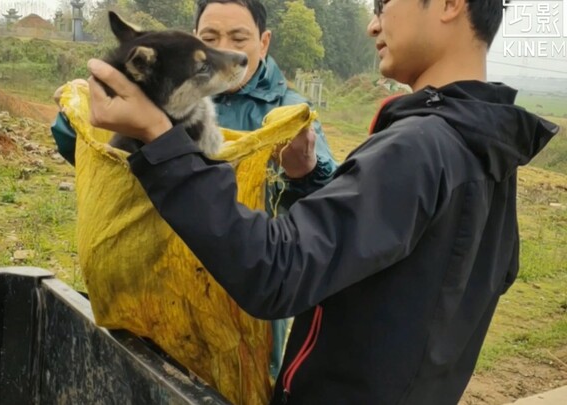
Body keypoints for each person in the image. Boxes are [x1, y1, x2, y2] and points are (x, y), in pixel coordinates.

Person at [80, 0, 560, 403]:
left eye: (383, 4)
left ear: (451, 4)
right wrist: (307, 178)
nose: (373, 24)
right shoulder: (488, 149)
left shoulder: (421, 147)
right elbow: (378, 264)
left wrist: (161, 142)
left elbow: (277, 270)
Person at [50, 0, 339, 379]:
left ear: (264, 42)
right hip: (146, 295)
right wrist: (79, 119)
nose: (229, 51)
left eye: (239, 37)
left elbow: (323, 213)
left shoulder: (288, 114)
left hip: (234, 301)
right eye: (209, 38)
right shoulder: (159, 84)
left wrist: (306, 172)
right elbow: (99, 171)